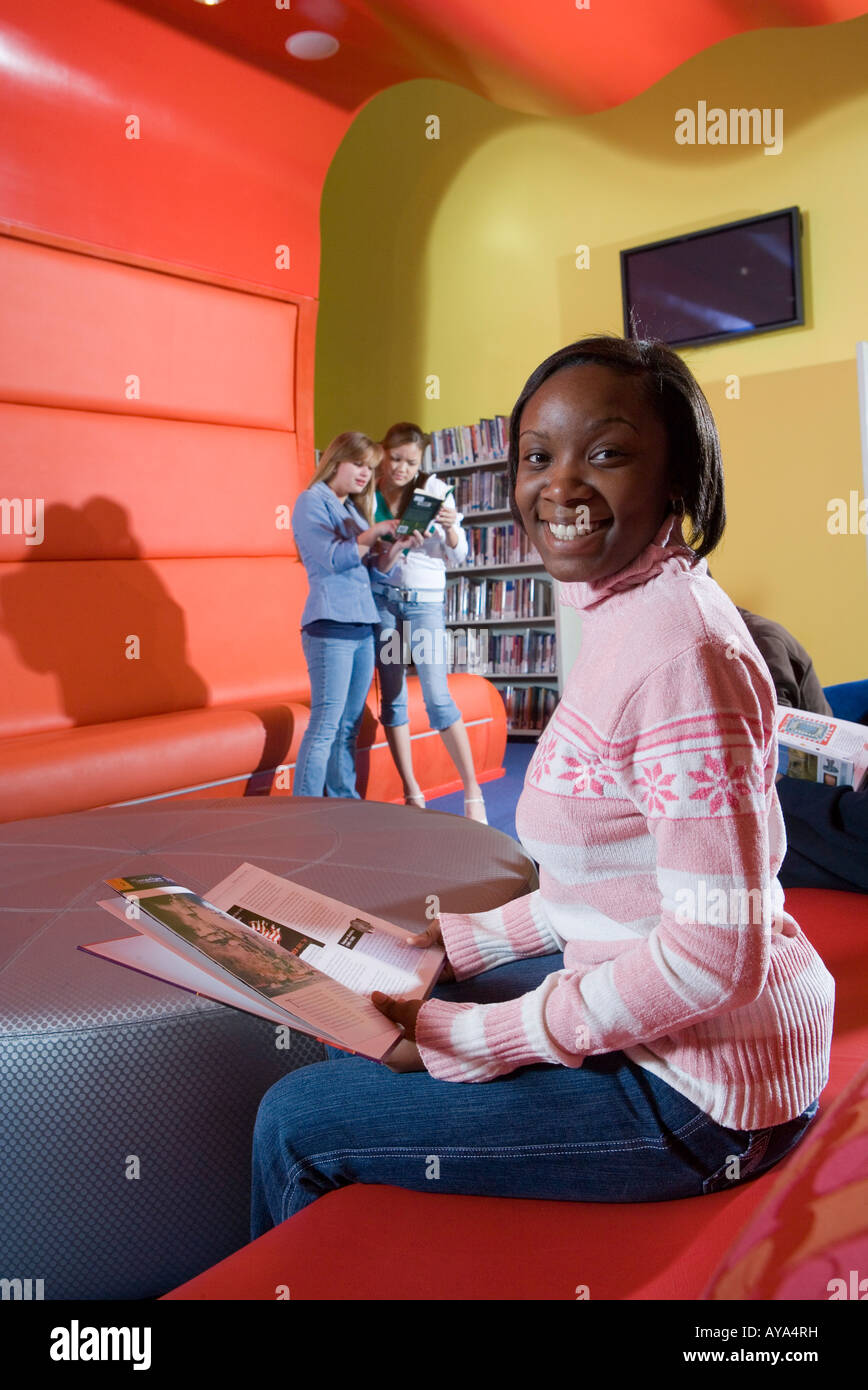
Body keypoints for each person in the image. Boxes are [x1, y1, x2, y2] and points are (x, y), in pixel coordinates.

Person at [251, 337, 834, 1233]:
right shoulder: (629, 608)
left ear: (679, 476)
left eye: (605, 453)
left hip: (701, 1100)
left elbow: (718, 953)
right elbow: (613, 881)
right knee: (384, 995)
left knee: (294, 1121)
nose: (558, 486)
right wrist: (461, 944)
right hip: (720, 1055)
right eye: (537, 456)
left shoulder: (679, 653)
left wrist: (487, 1040)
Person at [370, 421, 487, 821]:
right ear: (383, 453)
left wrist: (453, 528)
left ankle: (473, 792)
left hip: (424, 604)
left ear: (422, 460)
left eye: (410, 461)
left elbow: (460, 557)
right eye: (395, 458)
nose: (401, 468)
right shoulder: (369, 494)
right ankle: (412, 792)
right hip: (384, 601)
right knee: (393, 697)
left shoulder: (435, 489)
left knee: (438, 697)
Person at [290, 433, 407, 799]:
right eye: (358, 464)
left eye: (370, 468)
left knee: (347, 727)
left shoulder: (353, 511)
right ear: (335, 460)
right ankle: (304, 808)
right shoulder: (311, 501)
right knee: (326, 723)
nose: (364, 474)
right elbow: (331, 557)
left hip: (361, 624)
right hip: (330, 626)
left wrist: (396, 549)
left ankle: (343, 801)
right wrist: (372, 535)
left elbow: (373, 571)